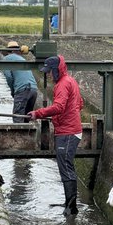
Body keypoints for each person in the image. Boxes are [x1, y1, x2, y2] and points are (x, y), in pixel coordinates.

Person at [27, 54, 84, 215]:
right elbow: (80, 104)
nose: (48, 75)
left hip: (68, 132)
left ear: (57, 70)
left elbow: (59, 107)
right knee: (66, 166)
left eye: (50, 72)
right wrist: (65, 116)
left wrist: (38, 113)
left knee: (66, 167)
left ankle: (72, 207)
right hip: (71, 129)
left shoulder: (62, 84)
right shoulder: (70, 81)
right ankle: (69, 202)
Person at [2, 39, 38, 121]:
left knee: (17, 118)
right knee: (27, 117)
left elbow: (8, 77)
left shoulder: (7, 58)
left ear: (8, 50)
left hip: (23, 90)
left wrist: (12, 90)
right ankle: (27, 133)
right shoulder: (22, 59)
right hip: (34, 90)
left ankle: (18, 134)